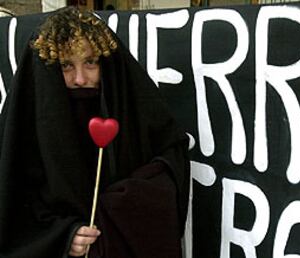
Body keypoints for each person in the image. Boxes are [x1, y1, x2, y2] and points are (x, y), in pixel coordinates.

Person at [0, 6, 190, 258]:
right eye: (66, 65)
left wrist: (119, 204)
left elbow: (170, 158)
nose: (80, 78)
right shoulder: (28, 123)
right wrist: (61, 236)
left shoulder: (132, 105)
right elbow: (12, 200)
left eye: (90, 62)